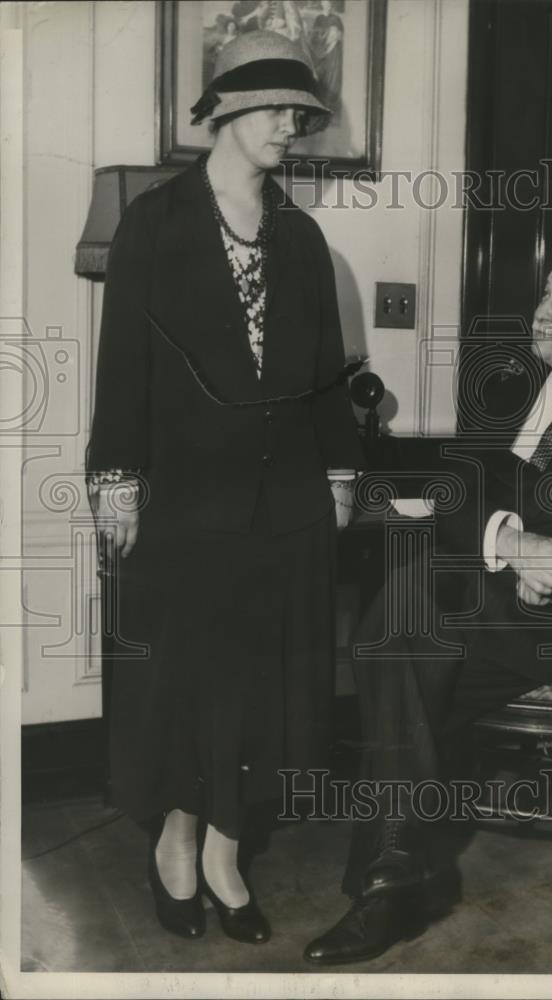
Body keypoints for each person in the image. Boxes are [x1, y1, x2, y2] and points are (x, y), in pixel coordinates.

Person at [303, 250, 552, 964]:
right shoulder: (509, 388)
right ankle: (390, 878)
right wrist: (511, 543)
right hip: (489, 611)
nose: (543, 312)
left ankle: (389, 872)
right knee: (403, 637)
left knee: (397, 634)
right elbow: (457, 493)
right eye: (544, 294)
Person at [86, 30, 364, 945]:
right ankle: (175, 843)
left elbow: (326, 378)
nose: (295, 127)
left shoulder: (306, 236)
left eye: (303, 113)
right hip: (185, 508)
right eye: (281, 109)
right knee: (186, 686)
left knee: (267, 691)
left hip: (285, 511)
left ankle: (226, 854)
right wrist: (118, 484)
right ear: (229, 112)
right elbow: (123, 368)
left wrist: (338, 480)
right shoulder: (153, 224)